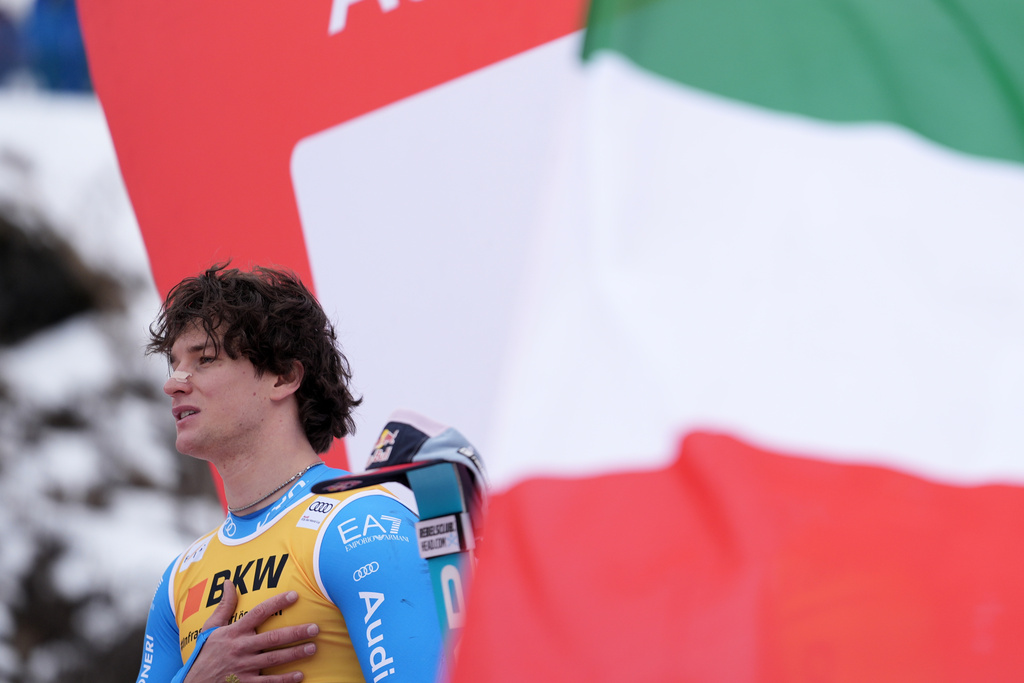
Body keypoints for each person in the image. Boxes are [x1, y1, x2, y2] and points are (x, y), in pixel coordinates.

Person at [136, 263, 446, 683]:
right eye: (173, 365)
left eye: (204, 359)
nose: (174, 383)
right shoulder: (179, 578)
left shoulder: (361, 526)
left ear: (283, 377)